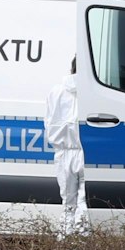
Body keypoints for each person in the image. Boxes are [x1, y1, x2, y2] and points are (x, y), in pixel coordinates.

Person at [43, 57, 88, 237]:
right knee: (84, 203)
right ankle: (81, 248)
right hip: (84, 152)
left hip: (62, 152)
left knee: (68, 205)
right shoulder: (90, 92)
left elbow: (48, 121)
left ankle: (65, 248)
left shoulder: (55, 92)